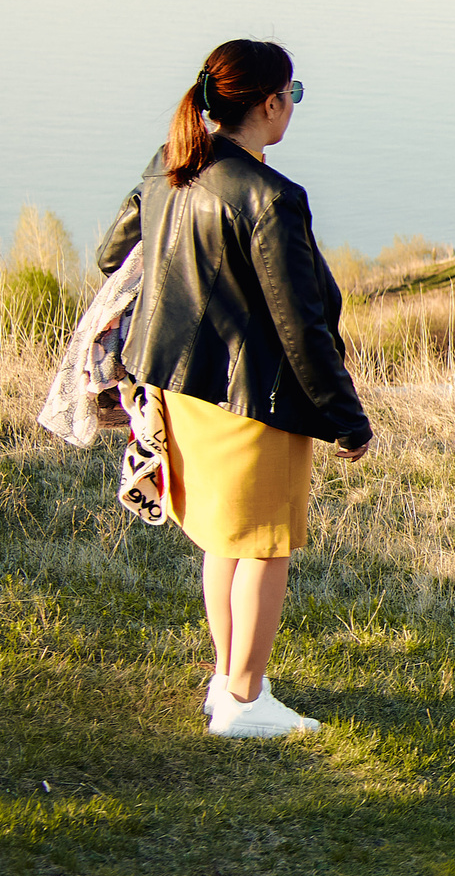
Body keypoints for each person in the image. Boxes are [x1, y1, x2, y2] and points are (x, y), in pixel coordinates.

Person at [97, 40, 373, 738]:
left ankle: (230, 681)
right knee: (265, 545)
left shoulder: (171, 164)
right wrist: (347, 418)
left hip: (177, 387)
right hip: (251, 398)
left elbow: (111, 254)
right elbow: (300, 327)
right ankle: (246, 702)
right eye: (293, 93)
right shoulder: (271, 198)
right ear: (271, 102)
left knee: (226, 536)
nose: (292, 106)